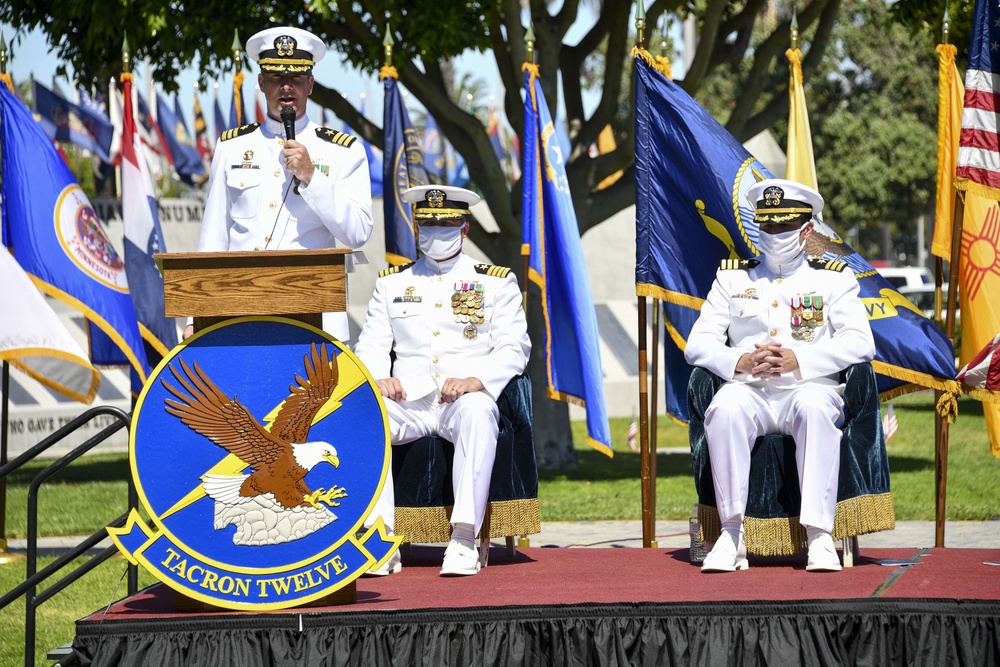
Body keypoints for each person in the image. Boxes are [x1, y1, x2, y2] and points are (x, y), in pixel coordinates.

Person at [684, 178, 875, 573]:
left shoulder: (833, 279)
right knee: (724, 409)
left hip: (807, 387)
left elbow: (860, 344)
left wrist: (798, 359)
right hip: (750, 390)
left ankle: (819, 535)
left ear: (806, 229)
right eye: (767, 227)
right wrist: (741, 362)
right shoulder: (733, 279)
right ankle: (731, 532)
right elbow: (697, 345)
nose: (774, 236)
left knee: (814, 408)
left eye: (784, 226)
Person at [354, 185, 531, 576]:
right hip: (409, 399)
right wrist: (379, 378)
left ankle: (464, 537)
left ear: (464, 230)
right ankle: (380, 540)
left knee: (480, 412)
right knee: (367, 412)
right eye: (427, 226)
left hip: (461, 397)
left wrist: (476, 379)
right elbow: (371, 344)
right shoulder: (392, 283)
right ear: (416, 229)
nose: (436, 234)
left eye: (447, 224)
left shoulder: (495, 282)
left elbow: (514, 348)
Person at [184, 26, 372, 341]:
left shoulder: (342, 150)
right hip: (240, 313)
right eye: (275, 78)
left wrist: (312, 176)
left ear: (310, 85)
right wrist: (196, 316)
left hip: (315, 317)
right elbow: (214, 238)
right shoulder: (231, 147)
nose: (287, 87)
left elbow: (359, 232)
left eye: (297, 78)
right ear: (260, 83)